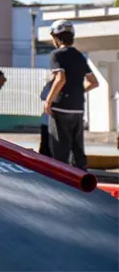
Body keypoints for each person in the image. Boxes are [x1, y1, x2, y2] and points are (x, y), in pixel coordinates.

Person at [44, 19, 99, 170]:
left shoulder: (56, 55)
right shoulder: (79, 56)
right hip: (77, 108)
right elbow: (94, 82)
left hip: (61, 108)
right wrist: (78, 91)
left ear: (56, 36)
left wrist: (48, 101)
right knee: (77, 149)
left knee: (60, 148)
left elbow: (61, 79)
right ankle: (81, 180)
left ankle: (62, 184)